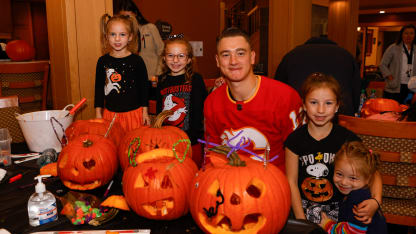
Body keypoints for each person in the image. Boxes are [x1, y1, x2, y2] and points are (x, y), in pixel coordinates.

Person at [285, 72, 382, 224]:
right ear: (304, 104)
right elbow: (291, 181)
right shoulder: (294, 140)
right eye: (314, 102)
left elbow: (372, 172)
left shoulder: (347, 138)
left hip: (342, 209)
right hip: (304, 210)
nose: (321, 110)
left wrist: (376, 201)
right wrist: (301, 221)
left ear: (337, 106)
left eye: (328, 103)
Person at [204, 27, 303, 172]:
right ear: (218, 61)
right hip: (229, 184)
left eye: (240, 53)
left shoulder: (285, 98)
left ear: (252, 57)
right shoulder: (212, 102)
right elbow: (212, 157)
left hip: (275, 186)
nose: (233, 61)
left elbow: (301, 155)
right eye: (226, 55)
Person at [274, 37, 361, 116]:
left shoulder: (292, 55)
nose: (321, 110)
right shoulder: (346, 55)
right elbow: (356, 89)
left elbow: (278, 89)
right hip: (341, 115)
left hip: (296, 113)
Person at [156, 34, 208, 166]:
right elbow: (159, 114)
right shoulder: (161, 81)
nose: (175, 60)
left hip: (192, 142)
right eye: (170, 55)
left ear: (189, 59)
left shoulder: (196, 79)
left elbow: (206, 108)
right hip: (168, 142)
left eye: (181, 56)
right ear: (164, 58)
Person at [94, 14, 150, 132]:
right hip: (110, 116)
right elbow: (98, 89)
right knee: (112, 148)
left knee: (133, 148)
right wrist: (98, 114)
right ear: (106, 37)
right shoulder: (102, 61)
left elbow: (144, 88)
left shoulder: (137, 61)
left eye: (122, 34)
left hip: (134, 116)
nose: (117, 39)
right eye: (113, 34)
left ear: (130, 37)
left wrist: (145, 112)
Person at [320, 141, 388, 234]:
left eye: (353, 178)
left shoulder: (358, 198)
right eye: (339, 174)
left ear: (368, 179)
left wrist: (327, 225)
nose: (343, 182)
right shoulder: (356, 192)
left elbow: (352, 231)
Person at [115, 0, 164, 81]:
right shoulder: (122, 34)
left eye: (127, 16)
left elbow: (161, 51)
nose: (126, 20)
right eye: (122, 17)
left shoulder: (150, 28)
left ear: (135, 13)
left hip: (152, 77)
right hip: (134, 78)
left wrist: (158, 73)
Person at [379, 24, 416, 104]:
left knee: (408, 113)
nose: (408, 36)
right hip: (395, 86)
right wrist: (390, 76)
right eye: (406, 33)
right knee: (392, 112)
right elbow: (383, 64)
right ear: (402, 34)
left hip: (411, 87)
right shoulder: (393, 48)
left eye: (411, 33)